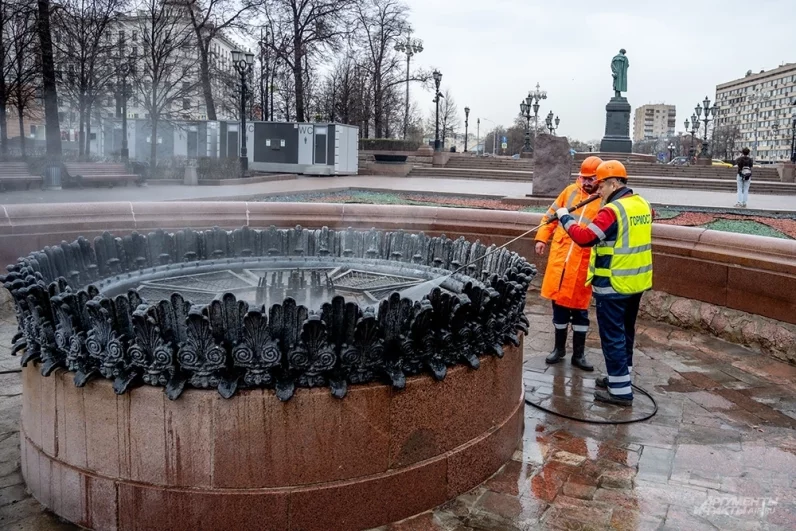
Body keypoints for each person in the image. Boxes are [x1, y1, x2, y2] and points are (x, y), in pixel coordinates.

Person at [554, 160, 653, 407]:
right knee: (626, 331)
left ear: (613, 183)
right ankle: (620, 378)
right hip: (636, 282)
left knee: (612, 336)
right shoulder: (641, 204)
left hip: (614, 283)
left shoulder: (612, 210)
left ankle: (619, 393)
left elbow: (585, 237)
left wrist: (565, 218)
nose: (598, 192)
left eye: (600, 186)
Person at [535, 156, 603, 371]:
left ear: (600, 180)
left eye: (591, 179)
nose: (586, 182)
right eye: (583, 178)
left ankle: (579, 354)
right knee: (559, 307)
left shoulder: (605, 200)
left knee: (580, 311)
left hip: (583, 264)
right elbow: (550, 216)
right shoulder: (569, 192)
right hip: (560, 261)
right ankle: (559, 349)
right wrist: (541, 238)